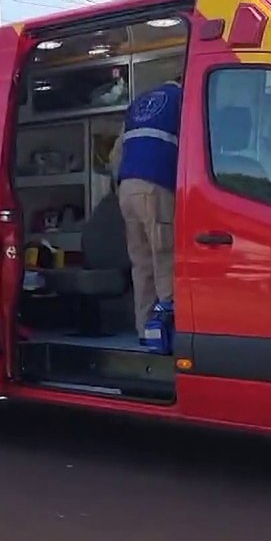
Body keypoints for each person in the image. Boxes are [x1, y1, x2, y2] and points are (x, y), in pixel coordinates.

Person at [114, 75, 182, 341]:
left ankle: (144, 330)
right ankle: (168, 329)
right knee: (164, 257)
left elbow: (115, 155)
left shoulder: (139, 103)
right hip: (155, 185)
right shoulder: (182, 99)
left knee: (141, 263)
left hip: (127, 187)